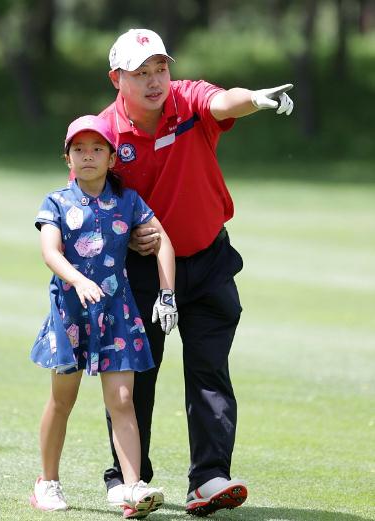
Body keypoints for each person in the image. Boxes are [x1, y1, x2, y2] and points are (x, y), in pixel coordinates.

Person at [92, 28, 295, 518]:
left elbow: (224, 103)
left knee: (209, 372)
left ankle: (209, 478)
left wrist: (255, 98)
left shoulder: (187, 100)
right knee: (136, 378)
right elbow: (90, 208)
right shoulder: (104, 132)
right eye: (141, 73)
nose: (155, 80)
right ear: (117, 78)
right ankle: (129, 481)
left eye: (160, 68)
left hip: (208, 260)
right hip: (141, 273)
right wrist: (126, 235)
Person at [29, 114, 178, 518]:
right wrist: (77, 280)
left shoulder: (128, 201)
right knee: (64, 399)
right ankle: (47, 483)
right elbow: (50, 253)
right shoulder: (56, 202)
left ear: (113, 158)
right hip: (71, 313)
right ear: (67, 158)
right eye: (79, 149)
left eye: (97, 149)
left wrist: (167, 294)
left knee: (123, 399)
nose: (88, 156)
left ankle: (132, 489)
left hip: (117, 312)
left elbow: (161, 239)